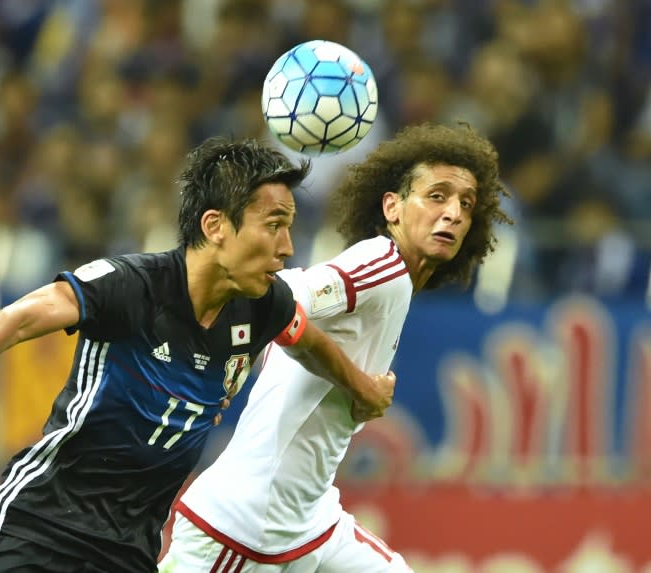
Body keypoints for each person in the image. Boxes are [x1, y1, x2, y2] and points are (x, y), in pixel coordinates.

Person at [0, 137, 396, 573]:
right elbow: (30, 312)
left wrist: (360, 386)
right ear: (215, 225)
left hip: (129, 550)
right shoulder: (132, 285)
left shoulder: (264, 305)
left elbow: (307, 340)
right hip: (39, 527)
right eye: (274, 225)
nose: (287, 247)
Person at [159, 123, 513, 572]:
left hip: (312, 523)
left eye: (466, 203)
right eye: (437, 195)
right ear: (393, 207)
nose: (454, 213)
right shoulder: (381, 264)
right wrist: (360, 386)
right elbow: (282, 299)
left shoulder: (398, 286)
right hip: (243, 530)